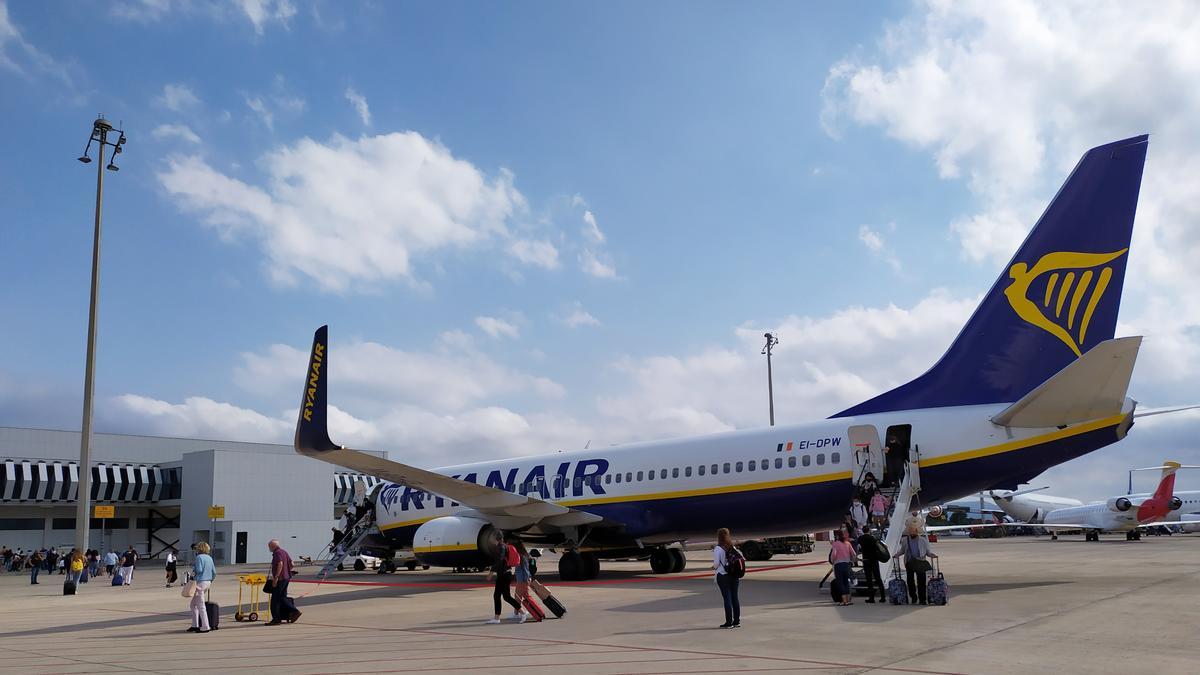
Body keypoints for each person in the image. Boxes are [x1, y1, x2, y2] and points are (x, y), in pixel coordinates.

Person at [484, 533, 525, 624]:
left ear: (495, 539)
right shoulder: (502, 546)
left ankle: (498, 618)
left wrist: (491, 571)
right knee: (506, 596)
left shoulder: (501, 547)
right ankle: (520, 613)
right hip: (505, 574)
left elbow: (500, 560)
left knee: (498, 596)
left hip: (504, 575)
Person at [892, 524, 938, 605]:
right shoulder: (905, 540)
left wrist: (932, 555)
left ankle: (922, 599)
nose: (911, 533)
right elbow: (903, 550)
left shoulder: (923, 540)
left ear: (917, 532)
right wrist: (897, 555)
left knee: (921, 582)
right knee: (910, 582)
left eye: (913, 531)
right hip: (909, 563)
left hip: (920, 562)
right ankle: (913, 597)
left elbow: (927, 552)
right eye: (910, 532)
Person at [266, 539, 301, 625]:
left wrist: (276, 577)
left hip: (280, 579)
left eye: (269, 546)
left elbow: (280, 564)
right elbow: (292, 563)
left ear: (273, 546)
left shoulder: (277, 553)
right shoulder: (284, 552)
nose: (269, 548)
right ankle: (293, 612)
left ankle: (277, 619)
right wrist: (287, 571)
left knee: (275, 599)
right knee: (282, 597)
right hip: (286, 578)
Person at [712, 527, 742, 628]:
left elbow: (716, 564)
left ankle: (728, 622)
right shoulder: (731, 547)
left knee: (727, 599)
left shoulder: (718, 548)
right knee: (735, 598)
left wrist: (713, 567)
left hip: (723, 575)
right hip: (734, 575)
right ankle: (736, 621)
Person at [189, 542, 215, 633]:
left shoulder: (199, 557)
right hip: (208, 582)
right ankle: (195, 625)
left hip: (200, 582)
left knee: (200, 605)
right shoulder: (209, 558)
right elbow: (214, 572)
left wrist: (193, 569)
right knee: (193, 604)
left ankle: (205, 626)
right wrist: (210, 580)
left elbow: (199, 570)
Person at [857, 527, 885, 604]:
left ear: (863, 531)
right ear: (869, 531)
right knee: (878, 578)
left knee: (869, 580)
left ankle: (871, 598)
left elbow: (858, 547)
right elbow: (878, 547)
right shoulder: (873, 538)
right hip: (874, 560)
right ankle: (883, 597)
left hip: (866, 560)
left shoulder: (860, 538)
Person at [829, 529, 855, 606]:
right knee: (846, 582)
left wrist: (832, 561)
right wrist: (851, 562)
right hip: (847, 564)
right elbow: (853, 554)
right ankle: (848, 599)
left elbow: (834, 554)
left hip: (838, 565)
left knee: (840, 582)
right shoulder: (848, 543)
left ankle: (844, 601)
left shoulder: (835, 544)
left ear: (837, 536)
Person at [511, 538, 532, 606]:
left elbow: (525, 570)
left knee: (517, 596)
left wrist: (526, 579)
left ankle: (516, 613)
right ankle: (532, 611)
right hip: (523, 579)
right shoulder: (523, 556)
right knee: (525, 596)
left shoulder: (520, 557)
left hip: (522, 580)